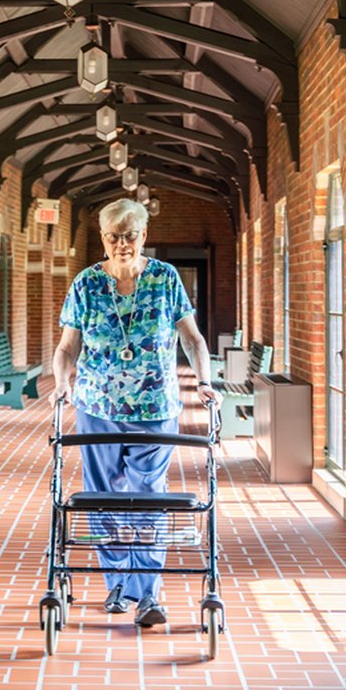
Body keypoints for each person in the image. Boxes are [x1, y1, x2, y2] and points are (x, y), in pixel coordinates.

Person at [48, 198, 217, 629]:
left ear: (144, 236)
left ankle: (147, 592)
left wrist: (204, 382)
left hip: (155, 406)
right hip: (96, 408)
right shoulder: (86, 284)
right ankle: (117, 583)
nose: (122, 244)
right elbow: (68, 346)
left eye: (130, 235)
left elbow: (193, 339)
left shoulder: (164, 279)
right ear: (104, 239)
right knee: (102, 497)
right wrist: (61, 383)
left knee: (149, 497)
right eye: (113, 236)